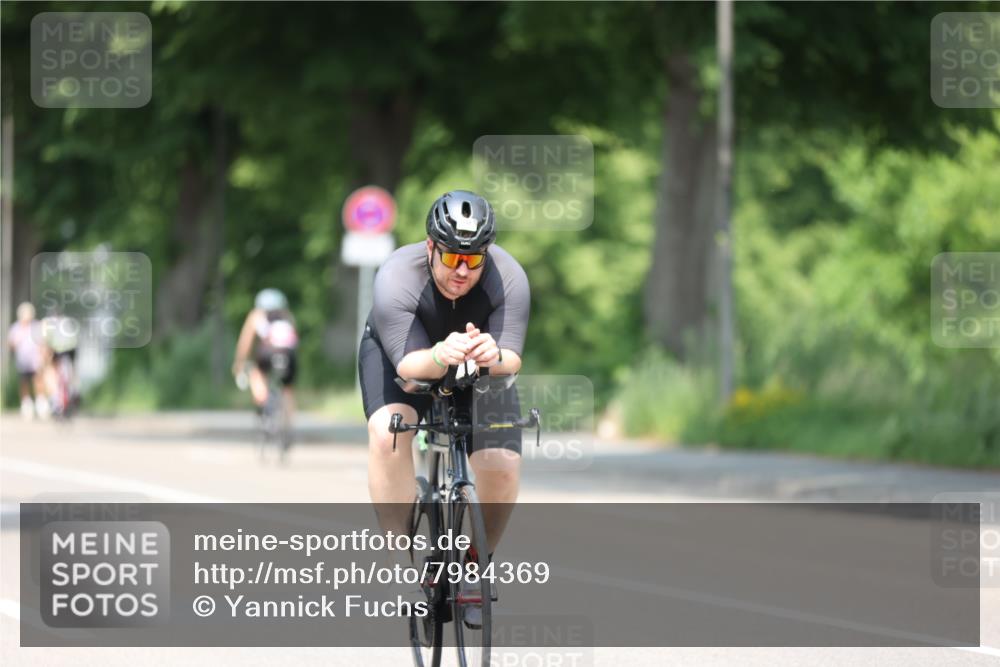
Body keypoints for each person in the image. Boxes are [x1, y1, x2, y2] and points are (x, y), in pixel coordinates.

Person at [359, 190, 530, 626]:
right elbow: (408, 366)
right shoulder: (397, 275)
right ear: (431, 247)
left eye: (473, 260)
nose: (462, 270)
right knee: (388, 431)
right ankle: (399, 563)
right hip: (408, 355)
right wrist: (440, 354)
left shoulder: (508, 276)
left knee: (504, 460)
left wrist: (493, 354)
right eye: (452, 257)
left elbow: (511, 359)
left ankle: (476, 563)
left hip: (476, 363)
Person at [232, 288, 299, 425]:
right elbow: (294, 339)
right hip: (289, 354)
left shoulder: (256, 315)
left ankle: (264, 399)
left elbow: (245, 342)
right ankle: (287, 425)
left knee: (256, 373)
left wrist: (239, 362)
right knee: (287, 388)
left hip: (268, 352)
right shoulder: (287, 315)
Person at [7, 302, 48, 420]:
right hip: (23, 361)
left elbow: (43, 342)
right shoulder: (15, 328)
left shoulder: (36, 326)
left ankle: (41, 404)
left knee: (38, 381)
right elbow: (11, 344)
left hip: (36, 360)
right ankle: (26, 405)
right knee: (24, 383)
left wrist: (43, 356)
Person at [40, 309, 80, 417]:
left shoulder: (48, 323)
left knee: (53, 375)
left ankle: (57, 402)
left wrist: (46, 357)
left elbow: (46, 341)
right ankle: (72, 394)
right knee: (69, 375)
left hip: (58, 352)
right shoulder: (67, 322)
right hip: (68, 352)